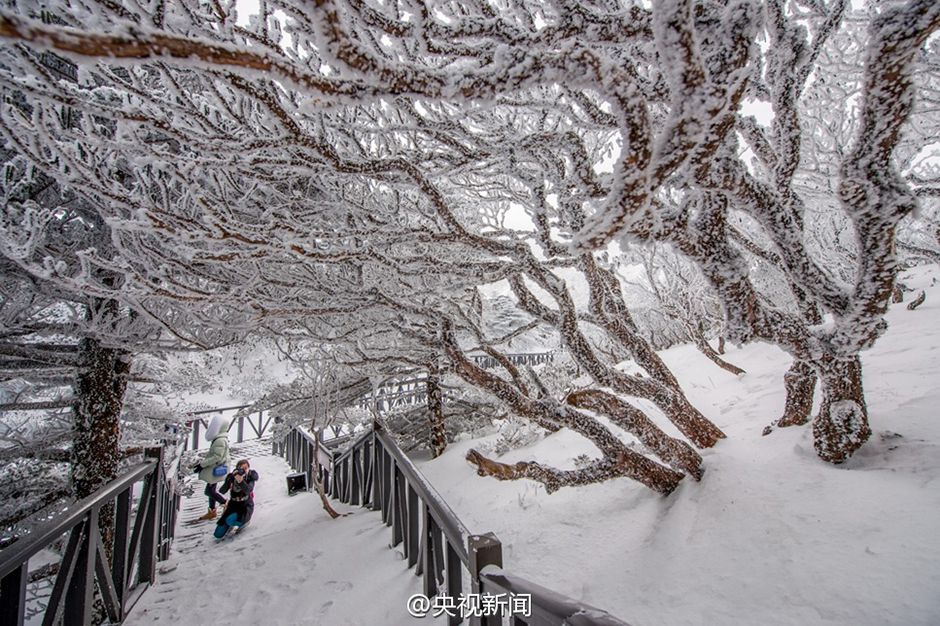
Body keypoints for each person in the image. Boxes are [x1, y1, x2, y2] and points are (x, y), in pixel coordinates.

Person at [191, 414, 231, 520]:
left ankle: (225, 503)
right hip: (215, 468)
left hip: (215, 468)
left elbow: (216, 457)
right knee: (211, 489)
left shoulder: (220, 440)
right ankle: (212, 510)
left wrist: (202, 464)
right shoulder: (221, 439)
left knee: (209, 491)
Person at [214, 458, 259, 539]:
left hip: (245, 505)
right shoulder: (232, 477)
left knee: (230, 520)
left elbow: (248, 490)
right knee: (217, 534)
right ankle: (229, 525)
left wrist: (241, 481)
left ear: (249, 468)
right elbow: (222, 491)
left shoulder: (250, 477)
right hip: (233, 504)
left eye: (245, 468)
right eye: (241, 469)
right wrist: (229, 480)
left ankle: (243, 523)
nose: (243, 471)